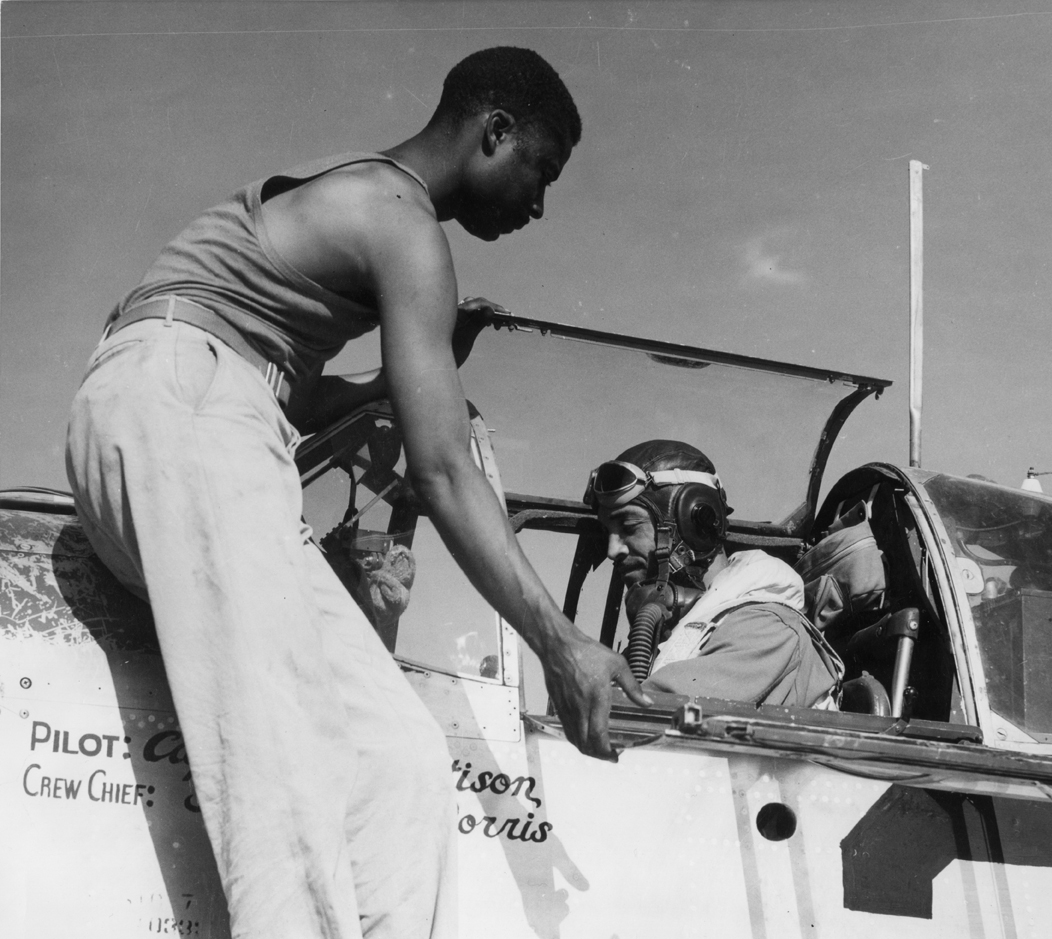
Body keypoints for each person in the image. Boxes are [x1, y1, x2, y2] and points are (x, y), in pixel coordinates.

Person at [64, 47, 648, 939]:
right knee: (284, 758)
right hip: (184, 411)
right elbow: (442, 471)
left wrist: (387, 381)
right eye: (542, 171)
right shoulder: (401, 220)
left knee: (396, 758)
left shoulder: (354, 210)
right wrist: (562, 646)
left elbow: (285, 392)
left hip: (188, 408)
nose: (538, 204)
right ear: (495, 131)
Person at [585, 440, 843, 708]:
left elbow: (649, 714)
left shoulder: (766, 628)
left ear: (690, 523)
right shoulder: (669, 634)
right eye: (607, 534)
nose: (612, 550)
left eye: (628, 527)